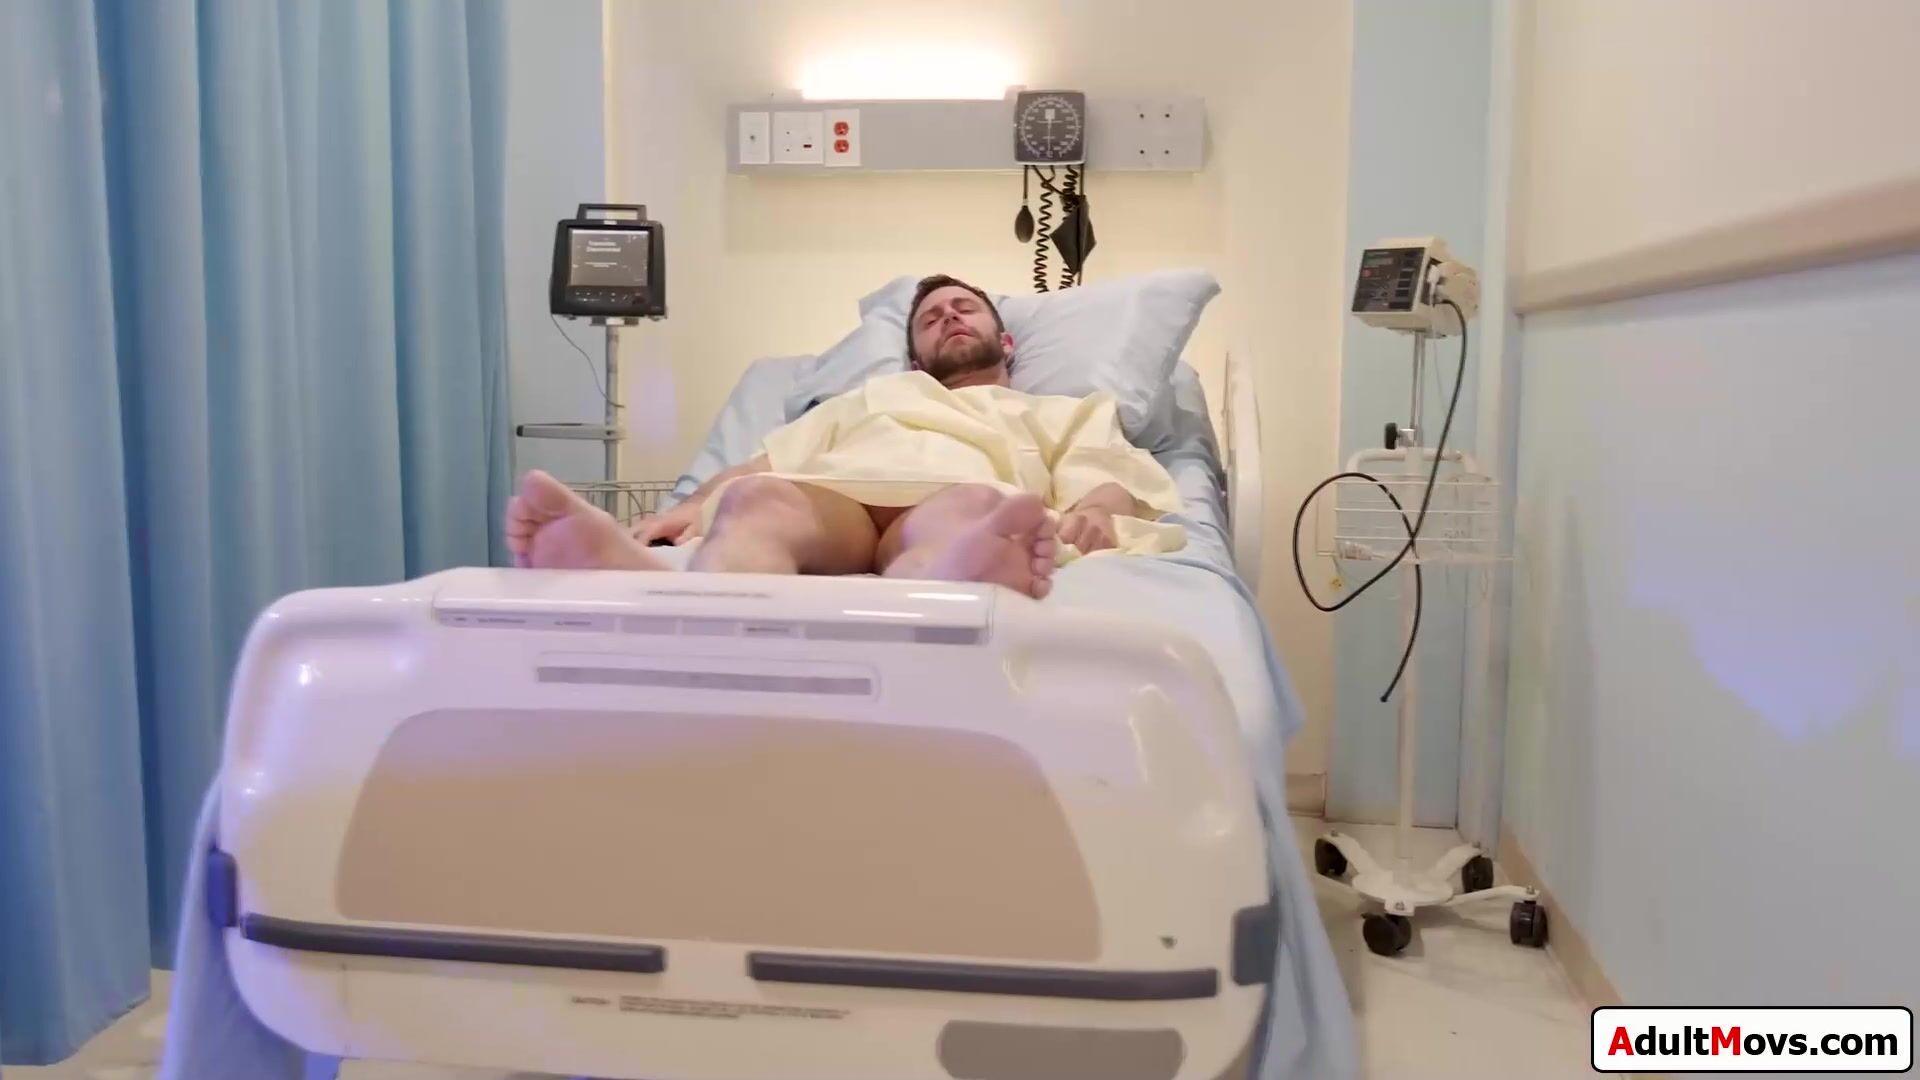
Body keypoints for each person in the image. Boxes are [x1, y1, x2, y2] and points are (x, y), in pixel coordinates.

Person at [504, 274, 1185, 599]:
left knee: (975, 513)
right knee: (756, 503)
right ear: (914, 355)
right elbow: (760, 465)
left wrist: (1098, 512)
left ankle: (949, 578)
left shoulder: (1059, 410)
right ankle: (673, 600)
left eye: (965, 309)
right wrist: (686, 508)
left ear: (1005, 341)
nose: (949, 318)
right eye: (931, 319)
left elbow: (1105, 477)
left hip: (950, 500)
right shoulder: (869, 398)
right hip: (840, 504)